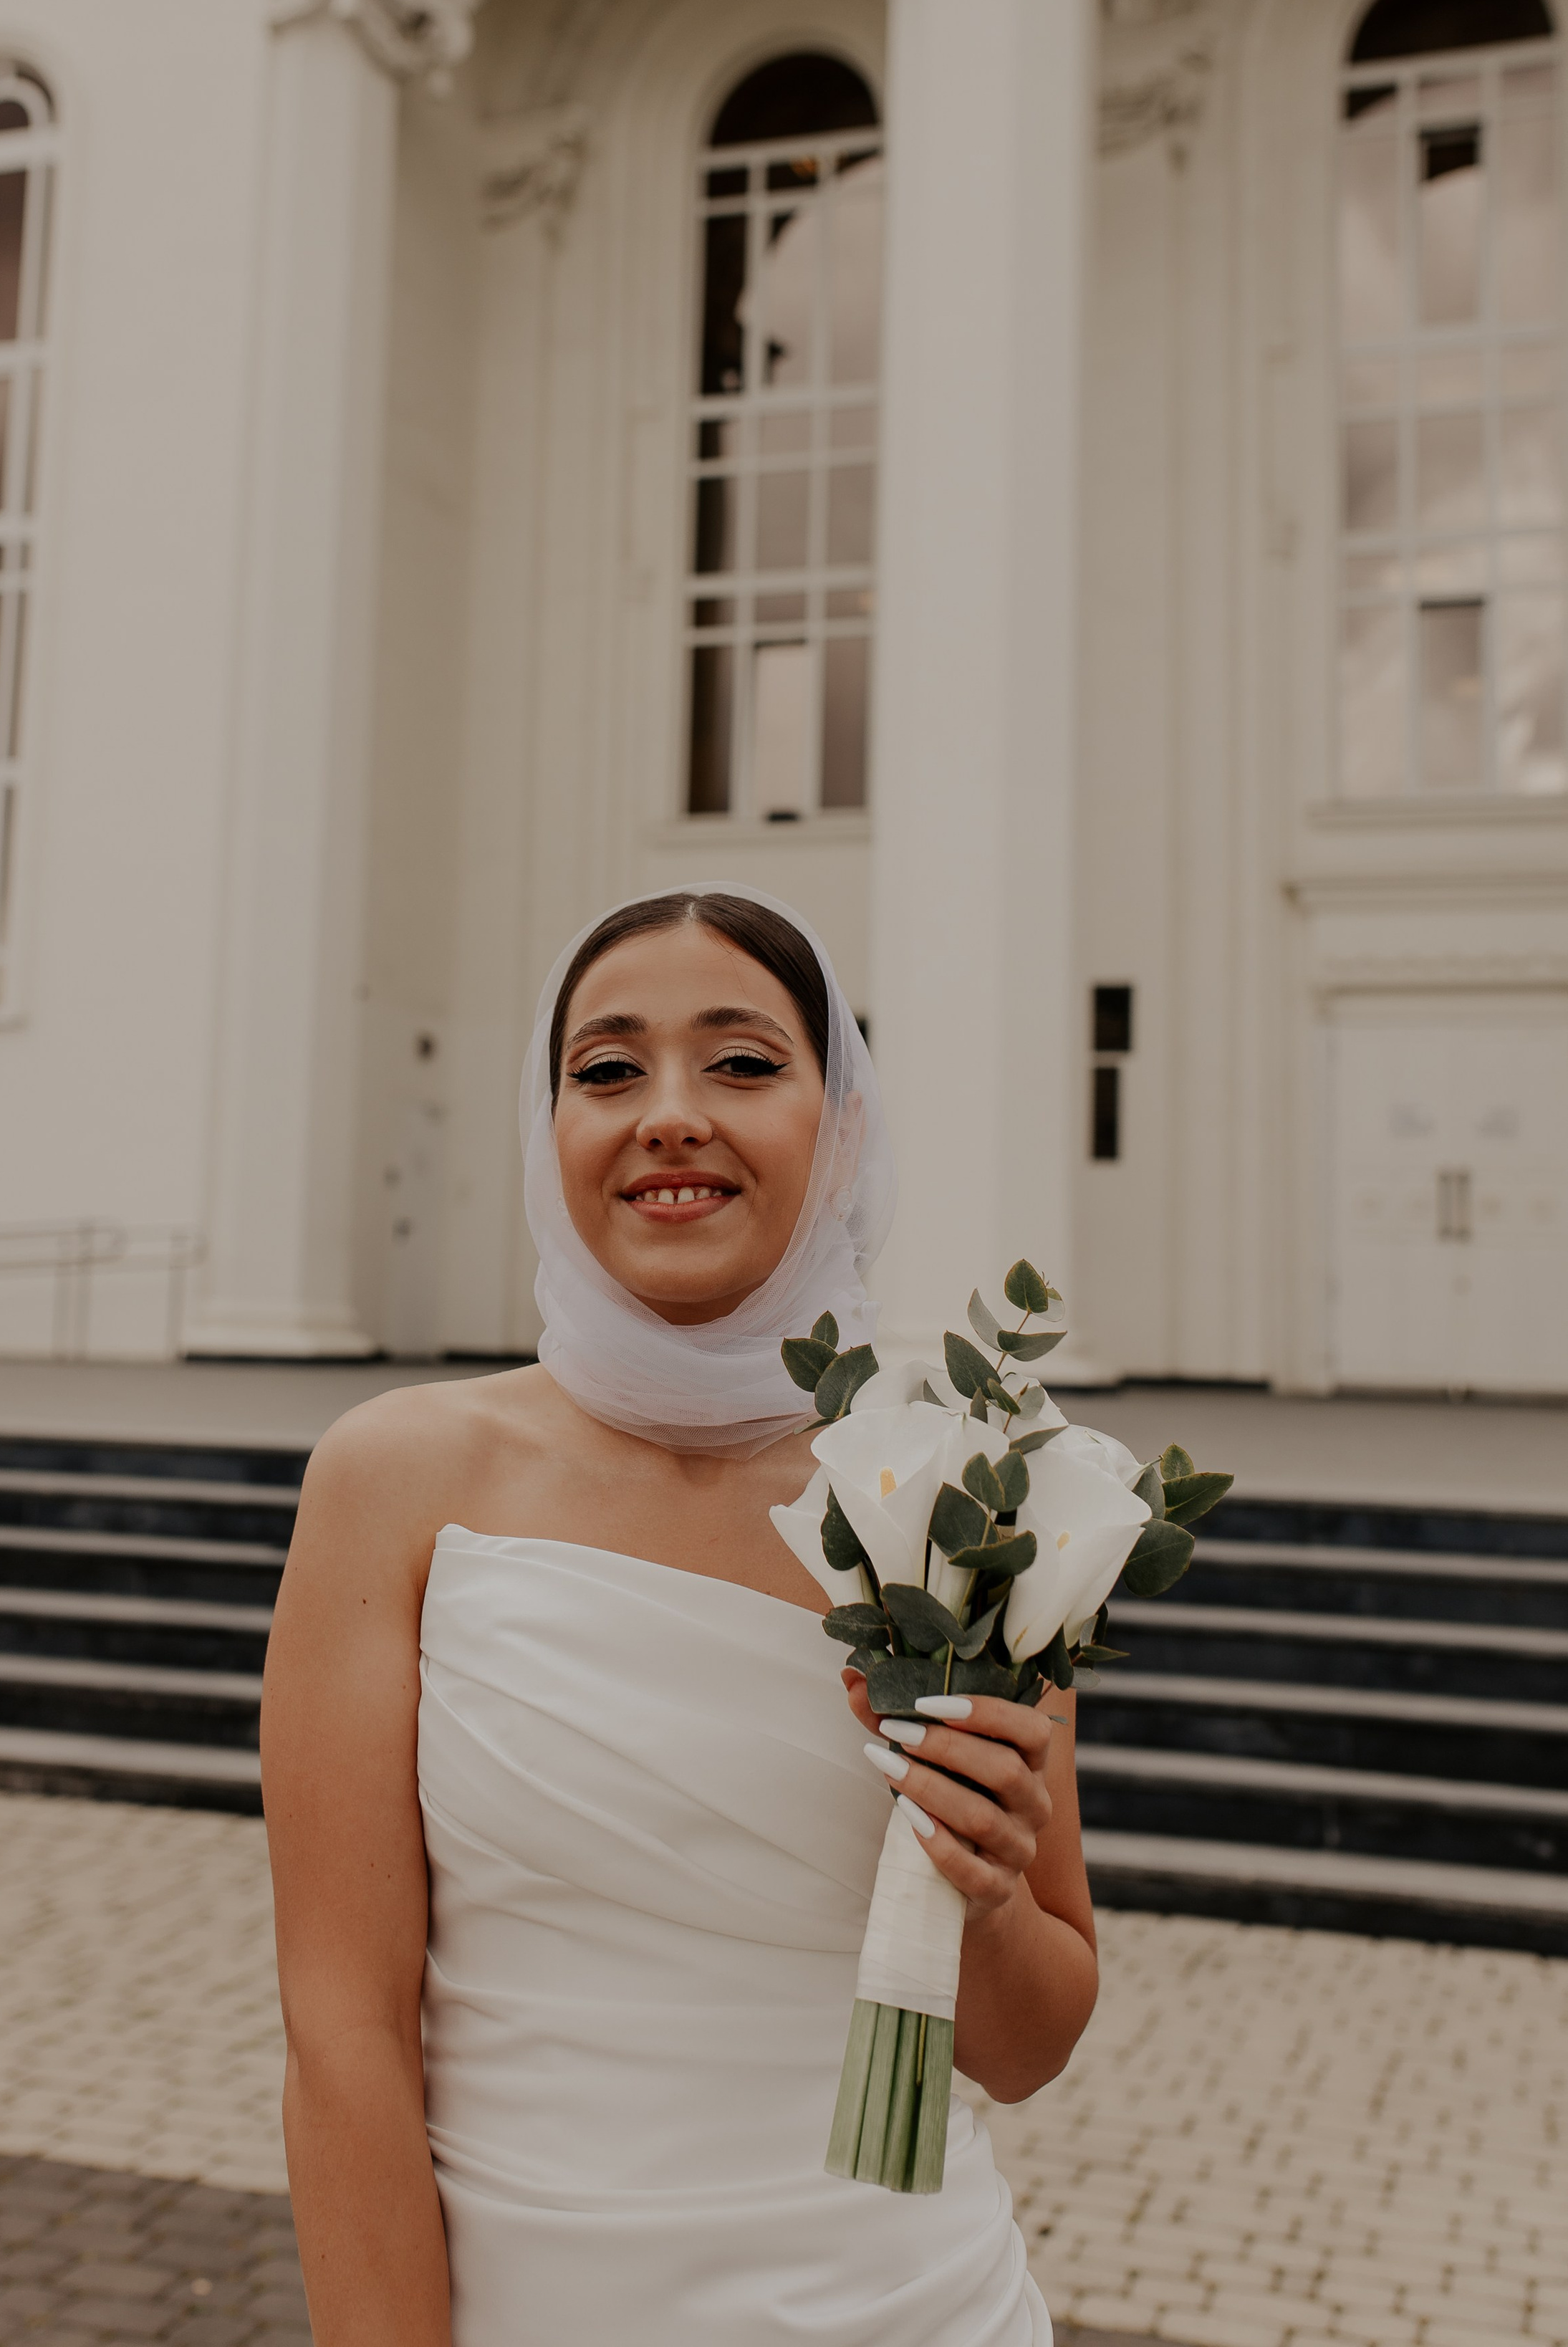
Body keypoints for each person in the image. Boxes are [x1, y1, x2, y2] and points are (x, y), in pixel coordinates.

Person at [261, 885, 1097, 2346]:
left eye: (741, 1062)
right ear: (548, 1137)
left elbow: (1025, 2049)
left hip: (916, 2311)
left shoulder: (960, 1502)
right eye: (605, 1070)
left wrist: (978, 1877)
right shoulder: (394, 1482)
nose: (667, 1115)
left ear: (840, 1132)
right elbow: (342, 2037)